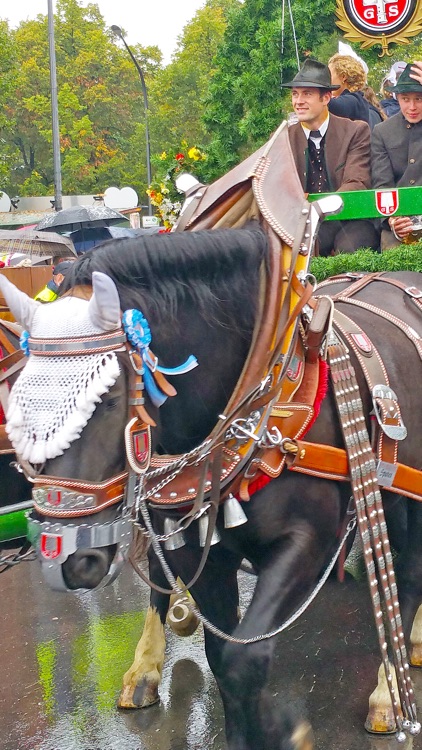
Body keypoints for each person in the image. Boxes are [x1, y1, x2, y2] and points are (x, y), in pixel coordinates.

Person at [282, 58, 379, 256]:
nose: (298, 101)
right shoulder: (284, 138)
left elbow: (357, 182)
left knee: (351, 246)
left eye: (307, 94)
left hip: (351, 219)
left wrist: (317, 207)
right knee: (302, 247)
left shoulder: (355, 131)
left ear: (326, 98)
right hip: (304, 222)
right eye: (295, 94)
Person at [371, 63, 422, 249]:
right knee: (394, 267)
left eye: (419, 98)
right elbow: (382, 182)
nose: (412, 106)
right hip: (399, 222)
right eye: (405, 99)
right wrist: (392, 219)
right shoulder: (382, 131)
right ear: (397, 97)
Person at [327, 53, 371, 125]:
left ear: (343, 77)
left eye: (329, 75)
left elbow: (332, 105)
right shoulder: (358, 100)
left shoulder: (354, 100)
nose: (326, 79)